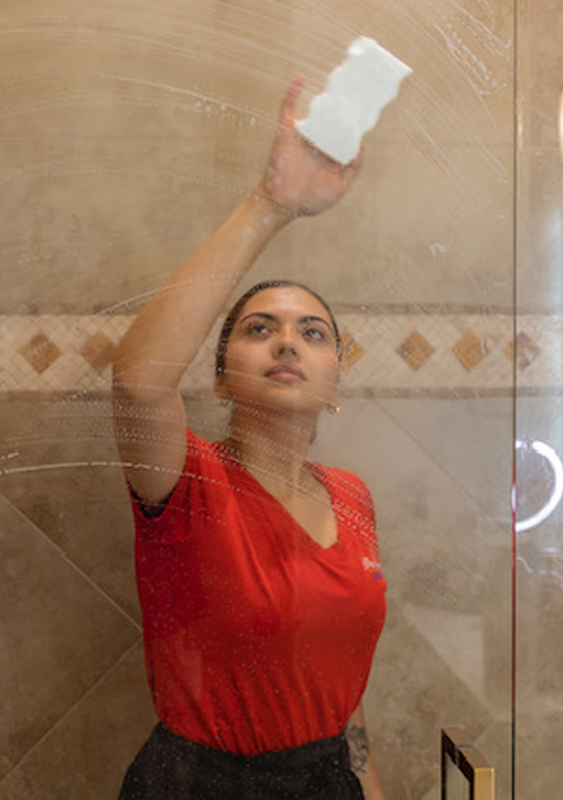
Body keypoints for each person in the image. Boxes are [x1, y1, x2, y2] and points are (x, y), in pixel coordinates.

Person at [112, 76, 387, 799]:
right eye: (259, 329)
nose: (287, 342)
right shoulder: (184, 481)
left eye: (313, 332)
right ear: (222, 380)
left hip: (329, 781)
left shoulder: (353, 498)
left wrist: (367, 780)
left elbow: (336, 674)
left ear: (335, 386)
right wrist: (271, 204)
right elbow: (140, 380)